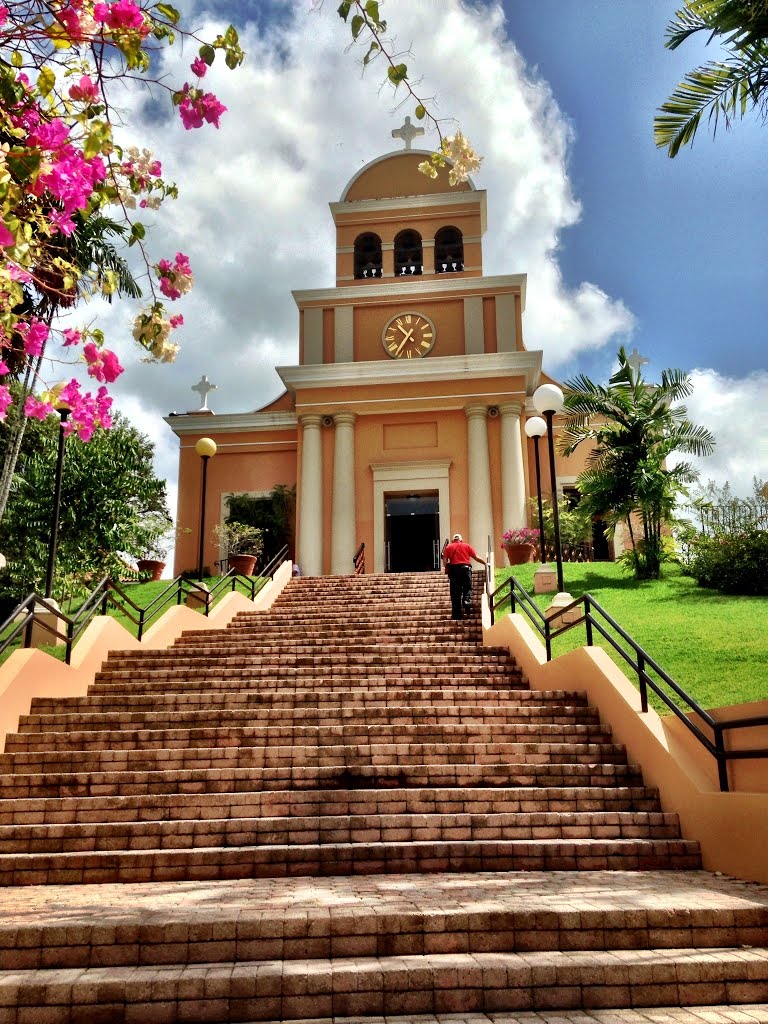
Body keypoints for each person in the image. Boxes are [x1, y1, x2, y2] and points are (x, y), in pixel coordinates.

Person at [442, 533, 487, 620]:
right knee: (467, 587)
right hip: (466, 569)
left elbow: (445, 559)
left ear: (452, 540)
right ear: (461, 540)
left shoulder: (448, 547)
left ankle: (456, 614)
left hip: (454, 570)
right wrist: (485, 563)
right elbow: (476, 557)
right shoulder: (467, 546)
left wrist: (445, 567)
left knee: (455, 593)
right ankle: (466, 601)